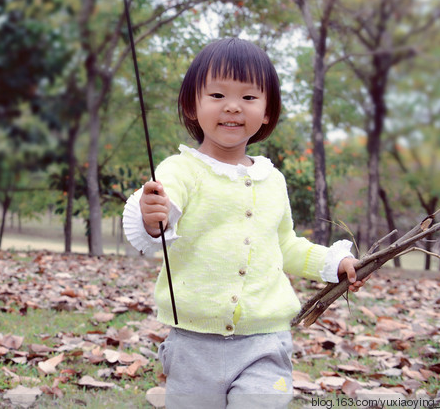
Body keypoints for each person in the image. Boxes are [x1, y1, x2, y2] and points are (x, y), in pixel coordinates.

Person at [122, 38, 367, 408]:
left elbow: (285, 246)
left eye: (250, 98)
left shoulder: (274, 180)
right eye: (217, 95)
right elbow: (162, 211)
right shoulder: (181, 170)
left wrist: (334, 264)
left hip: (265, 342)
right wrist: (152, 214)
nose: (233, 107)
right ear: (192, 105)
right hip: (192, 343)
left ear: (267, 111)